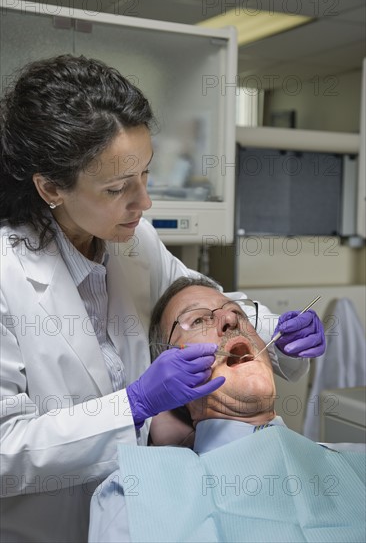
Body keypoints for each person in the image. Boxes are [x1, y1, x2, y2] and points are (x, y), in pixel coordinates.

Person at [0, 54, 325, 543]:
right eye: (117, 188)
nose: (144, 202)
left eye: (146, 175)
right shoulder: (7, 277)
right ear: (50, 188)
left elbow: (200, 302)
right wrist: (132, 406)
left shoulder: (135, 240)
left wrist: (279, 334)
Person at [89, 276, 364, 543]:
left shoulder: (355, 468)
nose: (230, 320)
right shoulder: (133, 494)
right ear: (170, 376)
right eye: (197, 319)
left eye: (238, 313)